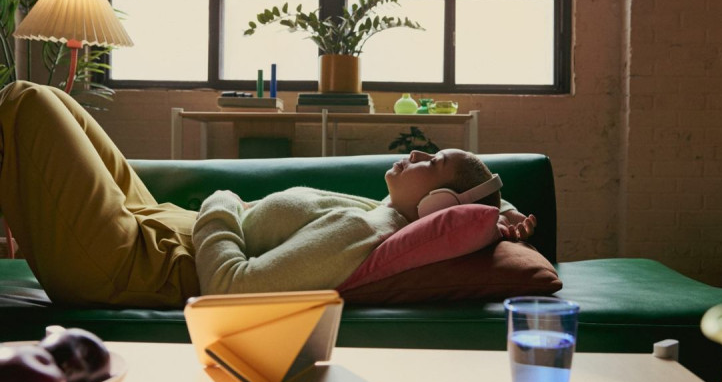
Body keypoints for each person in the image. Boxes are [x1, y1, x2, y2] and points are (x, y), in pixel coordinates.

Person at [0, 80, 535, 308]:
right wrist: (501, 215)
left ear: (438, 205)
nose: (416, 153)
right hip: (157, 227)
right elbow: (473, 203)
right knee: (56, 101)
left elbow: (230, 290)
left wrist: (219, 204)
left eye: (431, 161)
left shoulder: (362, 232)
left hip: (135, 263)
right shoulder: (385, 212)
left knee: (26, 101)